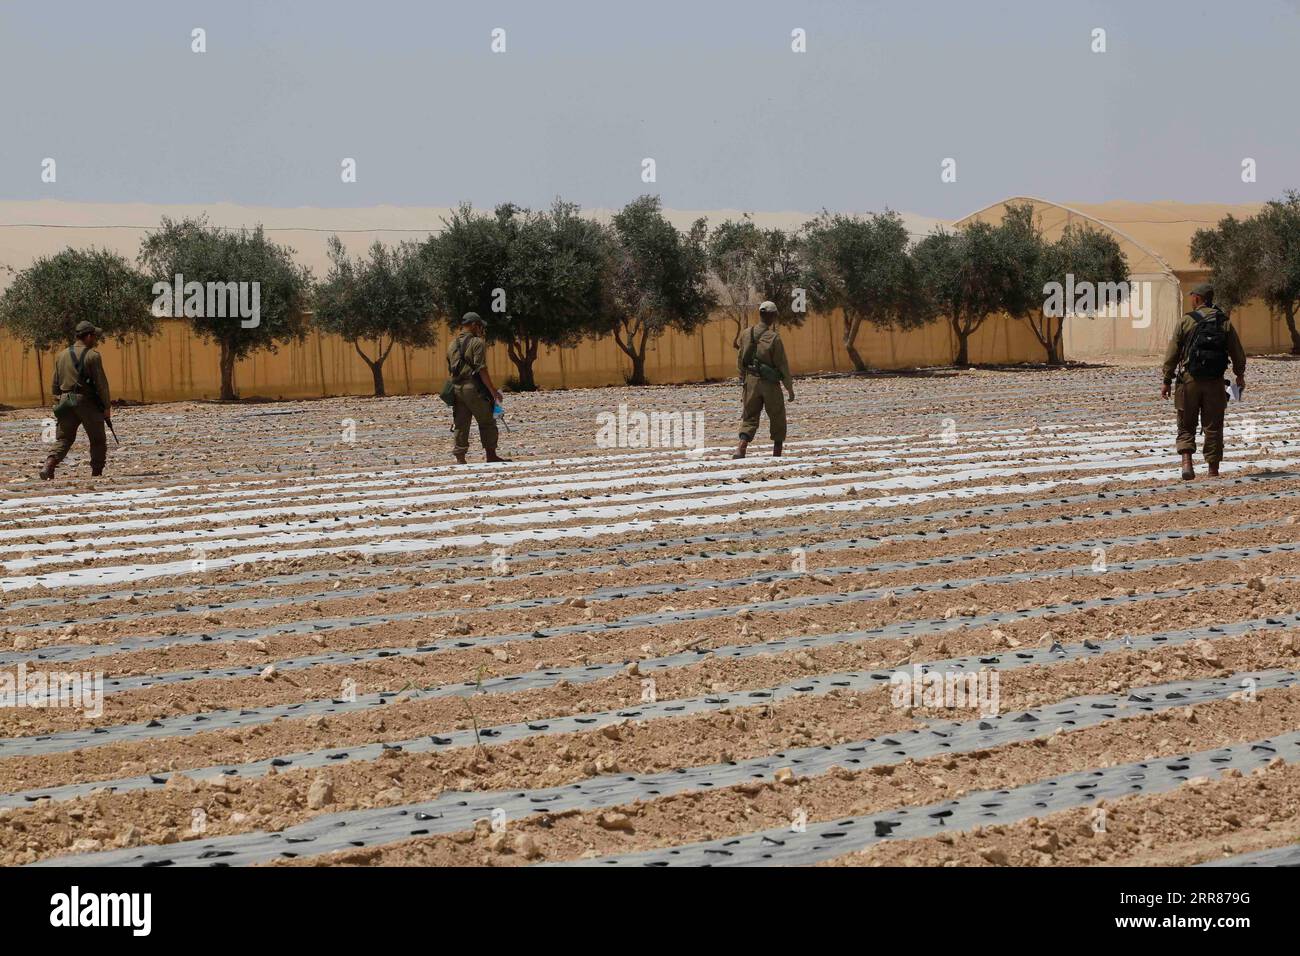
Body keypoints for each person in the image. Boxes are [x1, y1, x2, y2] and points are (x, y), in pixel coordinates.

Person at [1160, 282, 1246, 480]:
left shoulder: (1185, 321)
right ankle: (1213, 471)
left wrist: (1166, 380)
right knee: (1214, 426)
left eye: (1192, 297)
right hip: (1215, 382)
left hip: (1189, 381)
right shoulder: (1224, 322)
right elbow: (1237, 353)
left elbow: (1172, 353)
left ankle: (1187, 464)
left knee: (1185, 423)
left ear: (1197, 298)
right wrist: (1239, 375)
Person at [40, 320, 112, 480]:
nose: (95, 339)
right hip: (86, 402)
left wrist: (59, 402)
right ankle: (96, 473)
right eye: (93, 336)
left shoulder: (61, 355)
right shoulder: (93, 356)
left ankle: (49, 465)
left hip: (66, 401)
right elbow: (101, 384)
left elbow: (55, 384)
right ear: (87, 336)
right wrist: (106, 406)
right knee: (98, 439)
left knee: (64, 439)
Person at [733, 300, 794, 459]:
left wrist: (743, 379)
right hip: (770, 384)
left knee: (749, 416)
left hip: (751, 382)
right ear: (773, 317)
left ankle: (741, 448)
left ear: (760, 315)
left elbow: (740, 360)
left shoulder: (746, 334)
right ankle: (777, 452)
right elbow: (782, 365)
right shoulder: (774, 338)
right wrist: (789, 388)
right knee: (777, 416)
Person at [447, 312, 507, 464]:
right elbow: (481, 369)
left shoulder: (452, 344)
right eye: (480, 326)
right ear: (473, 325)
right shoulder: (477, 342)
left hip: (456, 388)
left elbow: (451, 368)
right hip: (473, 388)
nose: (481, 329)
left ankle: (460, 457)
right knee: (487, 420)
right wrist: (493, 391)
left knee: (461, 423)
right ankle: (491, 455)